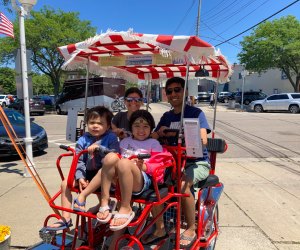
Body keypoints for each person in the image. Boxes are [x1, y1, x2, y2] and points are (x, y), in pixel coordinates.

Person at [74, 110, 162, 248]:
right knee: (110, 157)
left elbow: (160, 165)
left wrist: (145, 166)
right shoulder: (125, 141)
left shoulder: (154, 143)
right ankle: (104, 202)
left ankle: (126, 208)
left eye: (145, 126)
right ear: (131, 127)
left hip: (140, 180)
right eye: (137, 126)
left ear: (151, 129)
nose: (141, 130)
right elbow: (112, 157)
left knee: (124, 162)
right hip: (120, 182)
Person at [148, 77, 211, 248]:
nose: (173, 94)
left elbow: (204, 139)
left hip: (196, 163)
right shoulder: (166, 116)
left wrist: (189, 138)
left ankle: (191, 227)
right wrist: (160, 133)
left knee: (183, 183)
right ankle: (160, 225)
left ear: (185, 92)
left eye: (177, 90)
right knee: (152, 181)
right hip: (172, 162)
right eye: (169, 91)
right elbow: (152, 137)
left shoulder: (196, 113)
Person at [45, 106, 119, 230]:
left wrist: (100, 149)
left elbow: (115, 155)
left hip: (106, 176)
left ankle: (82, 197)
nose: (95, 126)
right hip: (88, 174)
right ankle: (66, 218)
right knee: (65, 184)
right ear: (86, 124)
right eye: (92, 123)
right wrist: (80, 177)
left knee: (102, 171)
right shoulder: (83, 139)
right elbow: (79, 161)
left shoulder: (111, 138)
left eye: (100, 123)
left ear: (107, 126)